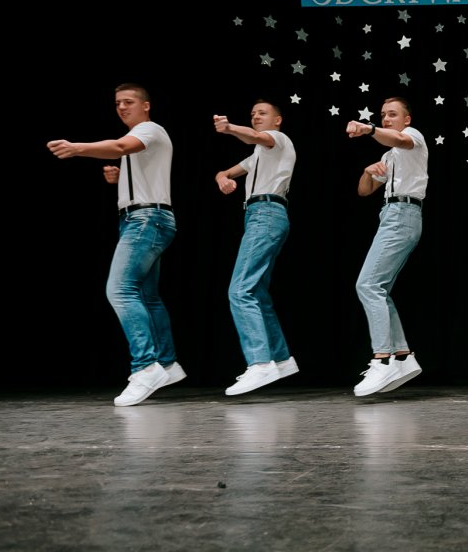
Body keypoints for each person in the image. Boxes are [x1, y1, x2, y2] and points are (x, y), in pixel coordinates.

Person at [46, 83, 183, 407]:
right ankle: (167, 364)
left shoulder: (149, 129)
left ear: (146, 105)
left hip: (146, 220)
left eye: (129, 101)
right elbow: (137, 164)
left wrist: (77, 148)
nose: (122, 107)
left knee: (120, 290)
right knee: (147, 297)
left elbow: (120, 146)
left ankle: (146, 368)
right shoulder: (142, 137)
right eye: (118, 102)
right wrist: (120, 179)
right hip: (147, 218)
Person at [212, 100, 298, 396]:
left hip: (267, 214)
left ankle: (260, 363)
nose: (256, 117)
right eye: (252, 114)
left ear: (278, 120)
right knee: (257, 292)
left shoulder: (278, 140)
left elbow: (257, 137)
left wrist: (229, 128)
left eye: (262, 113)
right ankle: (281, 359)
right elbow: (225, 171)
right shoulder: (258, 156)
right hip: (259, 216)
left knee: (240, 290)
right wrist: (222, 178)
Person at [347, 97, 428, 397]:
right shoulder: (389, 155)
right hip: (391, 214)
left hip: (403, 215)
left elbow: (399, 139)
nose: (386, 119)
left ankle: (383, 360)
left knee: (367, 285)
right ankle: (403, 357)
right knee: (378, 289)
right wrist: (367, 172)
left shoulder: (413, 137)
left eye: (393, 114)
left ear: (407, 119)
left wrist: (368, 129)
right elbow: (364, 191)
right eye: (383, 115)